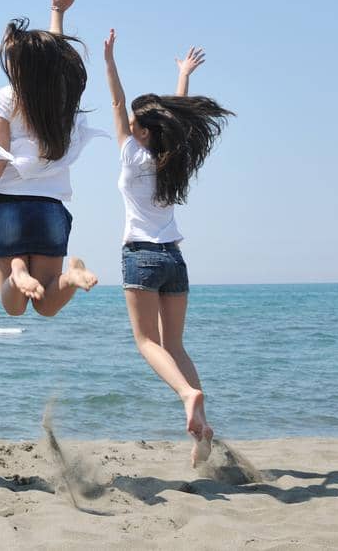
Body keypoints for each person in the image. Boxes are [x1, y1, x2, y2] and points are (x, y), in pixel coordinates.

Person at [103, 29, 234, 465]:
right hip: (174, 258)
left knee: (145, 341)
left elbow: (118, 104)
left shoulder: (129, 154)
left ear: (140, 130)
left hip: (140, 256)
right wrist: (182, 78)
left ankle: (186, 394)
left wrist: (109, 60)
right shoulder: (172, 158)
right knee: (175, 345)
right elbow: (174, 120)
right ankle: (202, 428)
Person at [0, 0, 105, 316]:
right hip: (50, 209)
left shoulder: (1, 101)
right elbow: (56, 55)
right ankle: (72, 276)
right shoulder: (60, 98)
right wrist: (57, 14)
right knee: (47, 306)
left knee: (14, 307)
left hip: (9, 208)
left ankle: (17, 272)